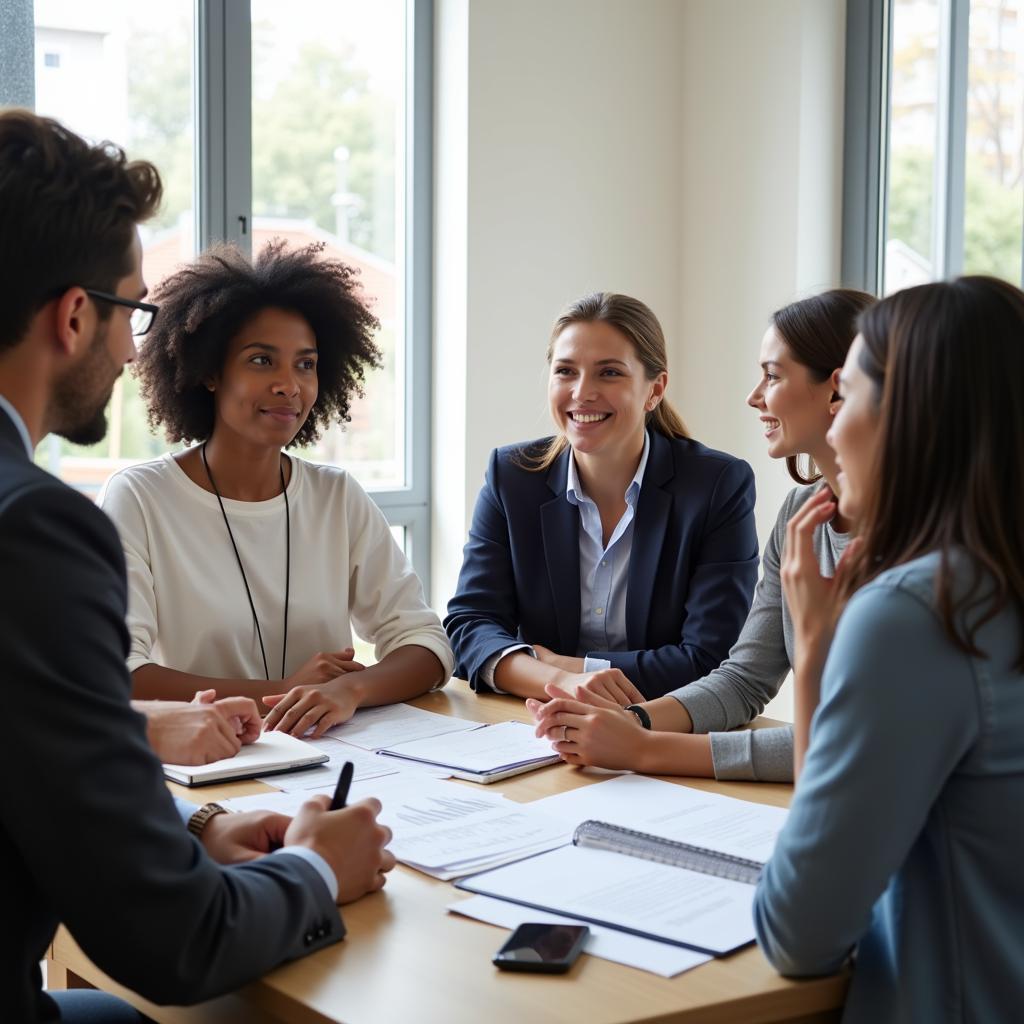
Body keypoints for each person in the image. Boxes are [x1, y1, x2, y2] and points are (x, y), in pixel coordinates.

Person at [0, 109, 394, 1024]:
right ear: (71, 316)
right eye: (132, 311)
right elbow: (173, 940)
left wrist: (198, 824)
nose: (135, 347)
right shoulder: (38, 531)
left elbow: (34, 744)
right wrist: (314, 867)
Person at [754, 277, 1024, 1019]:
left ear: (910, 419)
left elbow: (797, 933)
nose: (834, 431)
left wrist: (815, 652)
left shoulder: (917, 614)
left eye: (852, 397)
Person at [100, 241, 452, 739]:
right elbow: (123, 674)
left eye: (305, 364)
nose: (290, 384)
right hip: (211, 760)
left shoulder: (337, 497)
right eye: (262, 361)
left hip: (337, 760)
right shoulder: (140, 498)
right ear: (209, 373)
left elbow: (426, 644)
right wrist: (281, 690)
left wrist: (347, 691)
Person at [531, 289, 873, 781]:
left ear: (838, 389)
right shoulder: (801, 513)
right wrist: (629, 723)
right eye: (566, 370)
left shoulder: (923, 534)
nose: (755, 396)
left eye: (772, 376)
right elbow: (745, 679)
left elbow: (856, 740)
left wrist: (645, 749)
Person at [445, 291, 759, 703]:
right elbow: (470, 625)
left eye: (609, 373)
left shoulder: (717, 485)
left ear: (654, 389)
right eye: (566, 371)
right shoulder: (512, 475)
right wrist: (559, 683)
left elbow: (710, 660)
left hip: (663, 729)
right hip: (531, 723)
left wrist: (574, 669)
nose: (582, 393)